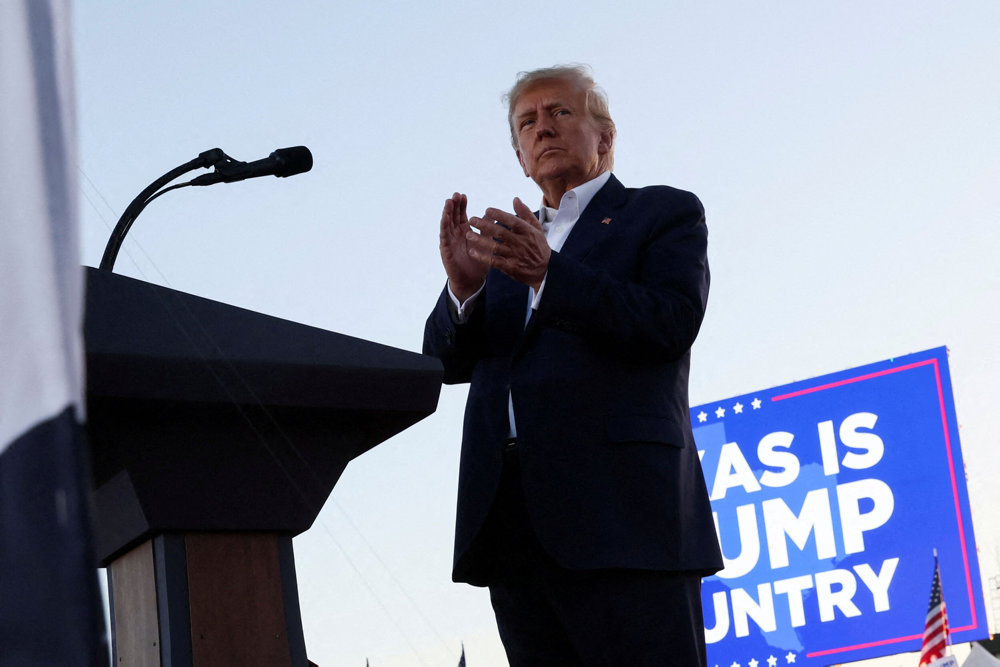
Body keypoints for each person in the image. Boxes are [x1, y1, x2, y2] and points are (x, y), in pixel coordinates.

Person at [423, 65, 723, 666]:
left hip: (625, 520)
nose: (543, 128)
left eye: (560, 112)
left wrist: (549, 275)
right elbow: (441, 363)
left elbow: (669, 322)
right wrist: (464, 292)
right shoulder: (505, 243)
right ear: (519, 156)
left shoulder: (661, 213)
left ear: (604, 139)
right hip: (512, 523)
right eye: (527, 122)